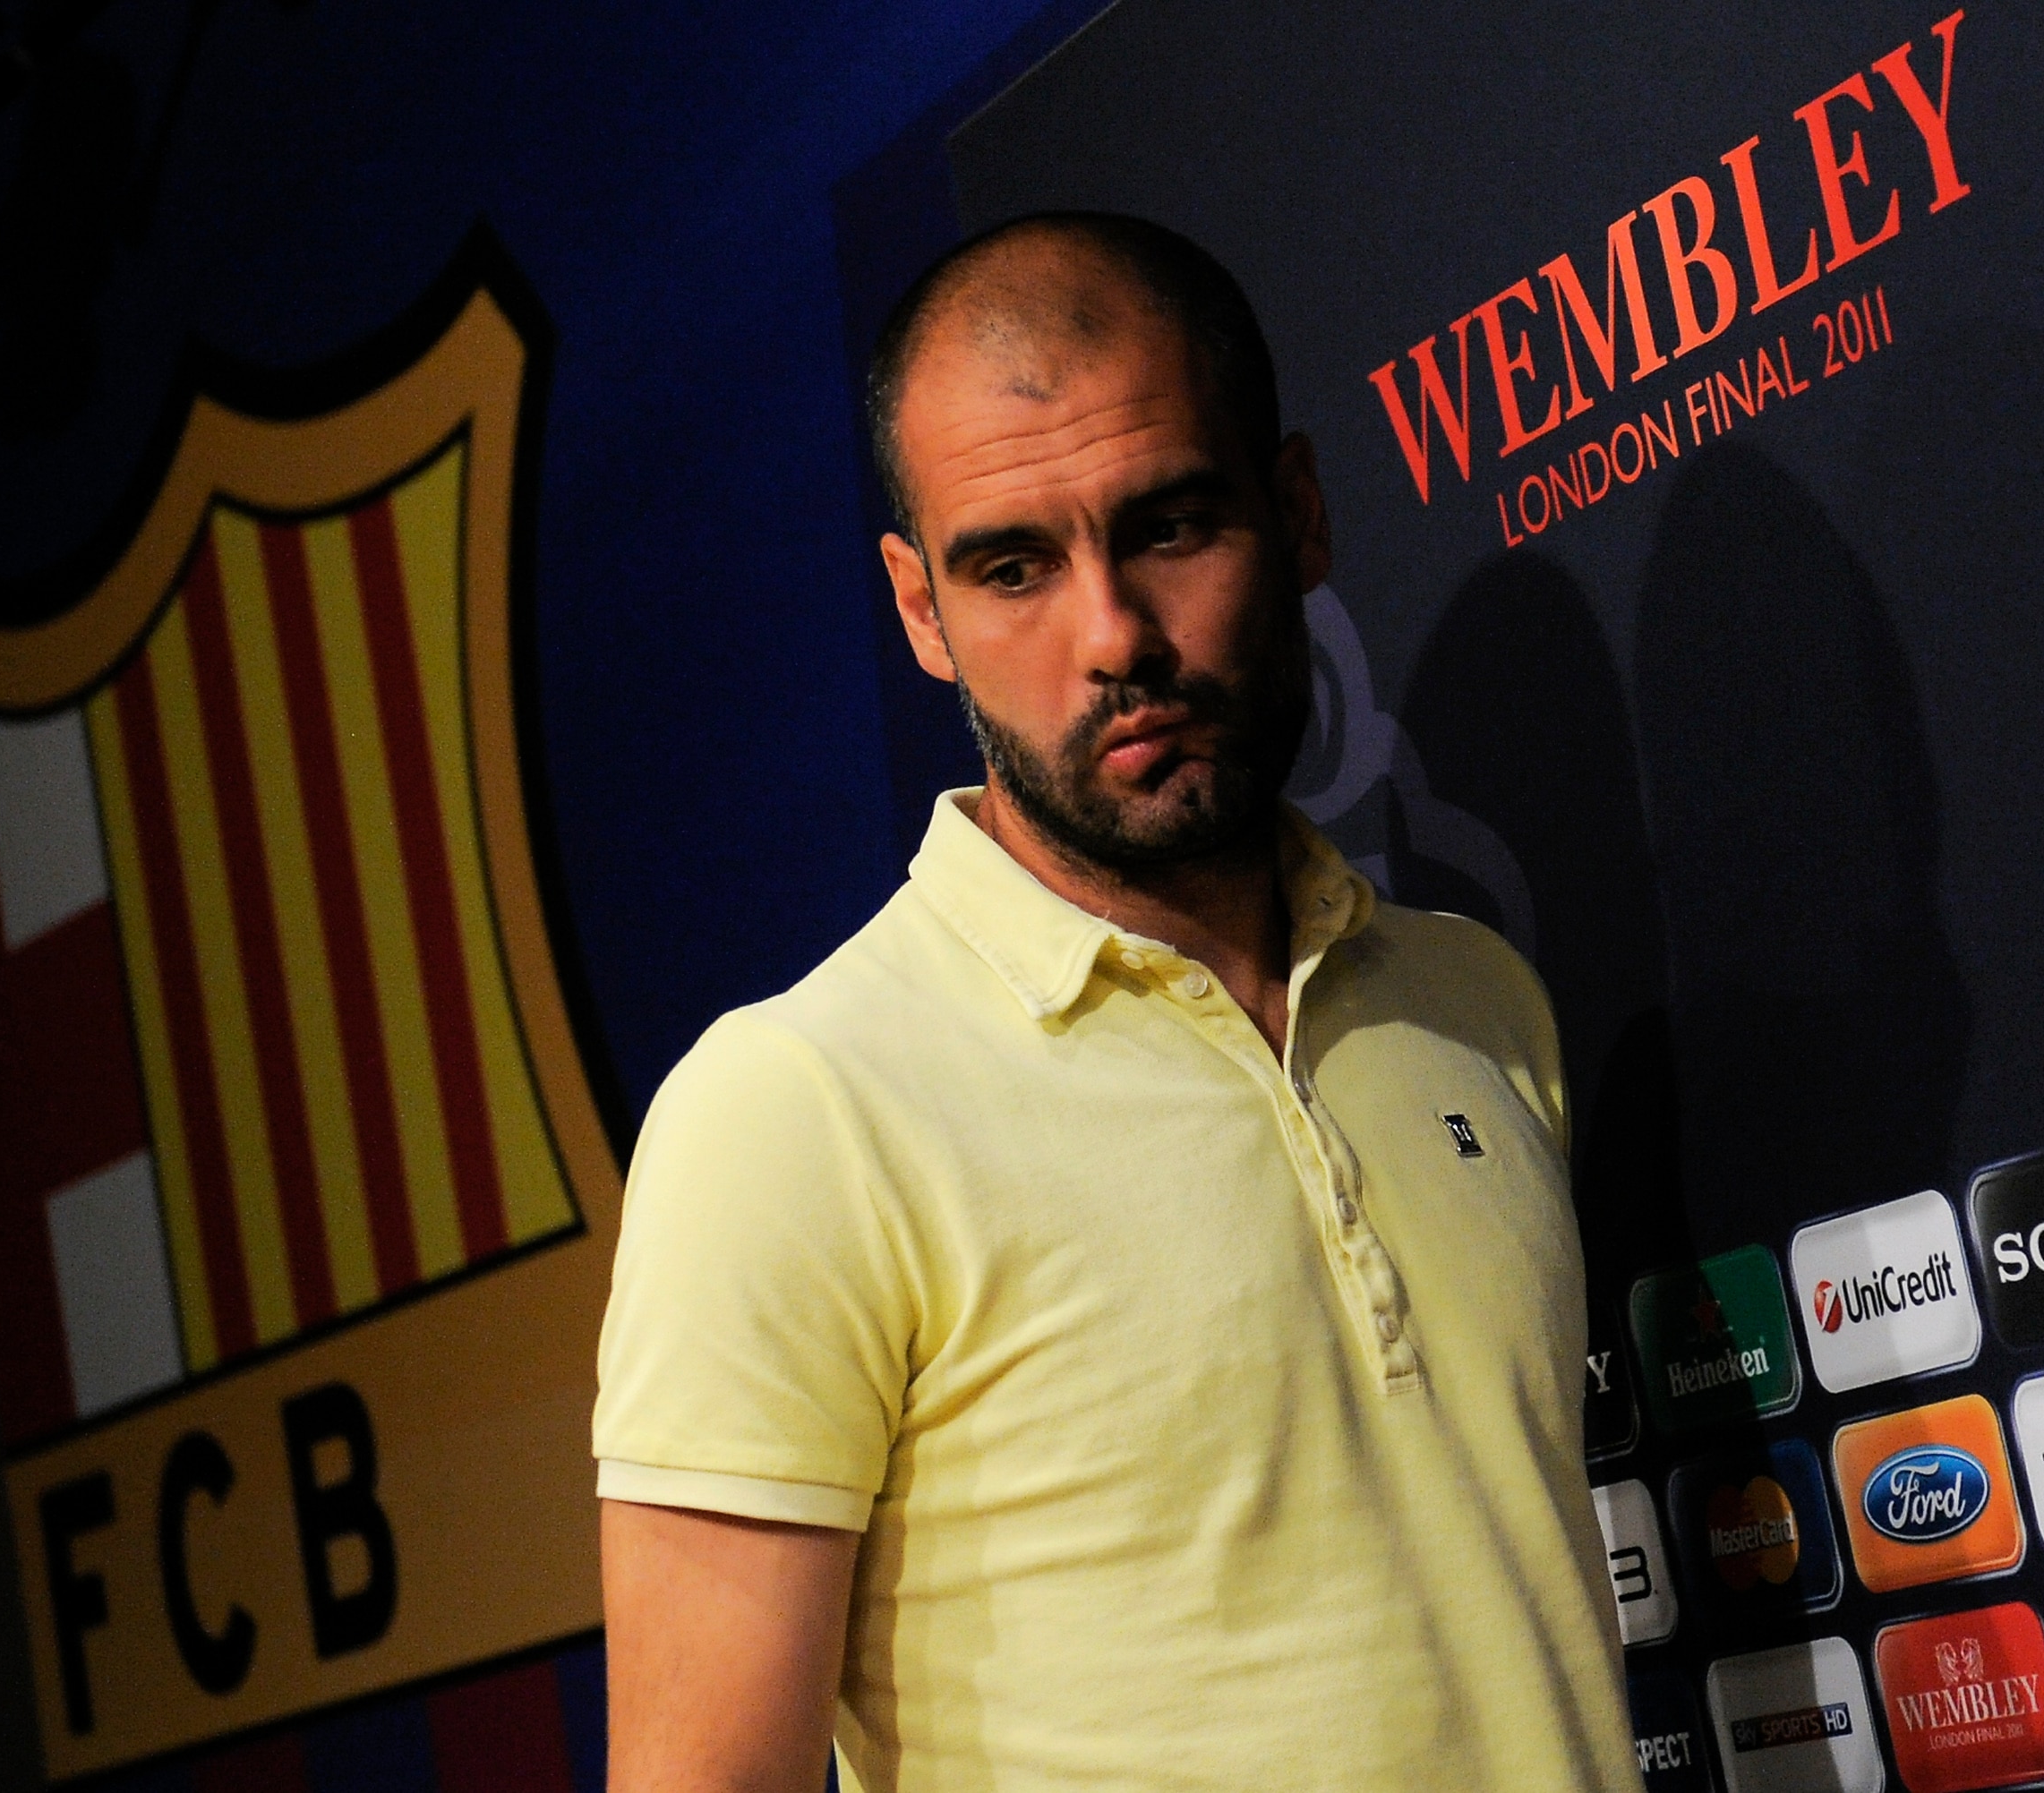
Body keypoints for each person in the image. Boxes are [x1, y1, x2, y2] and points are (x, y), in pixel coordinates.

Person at [594, 212, 1639, 1792]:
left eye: (1167, 528)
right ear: (918, 611)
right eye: (1012, 566)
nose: (1113, 638)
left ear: (1296, 515)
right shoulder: (798, 1112)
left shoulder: (1475, 1005)